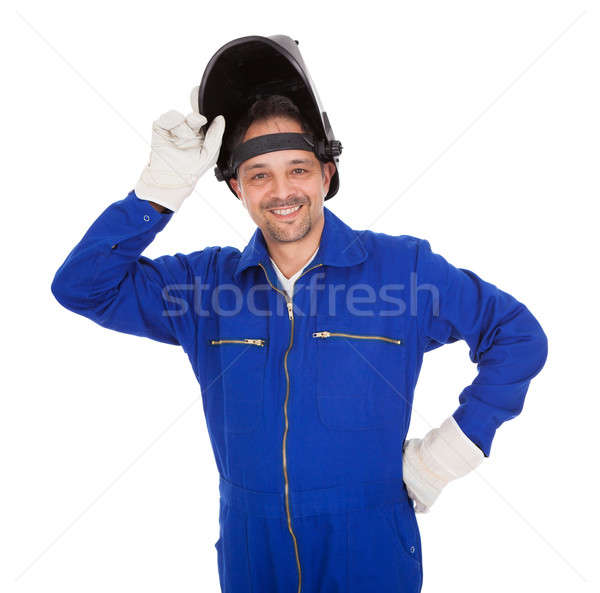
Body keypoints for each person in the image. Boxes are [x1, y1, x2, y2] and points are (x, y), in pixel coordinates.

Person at [51, 88, 548, 592]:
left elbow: (518, 335)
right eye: (259, 175)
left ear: (326, 175)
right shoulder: (204, 288)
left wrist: (449, 454)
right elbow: (82, 287)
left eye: (298, 169)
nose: (281, 191)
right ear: (236, 189)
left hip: (371, 551)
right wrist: (159, 191)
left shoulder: (403, 273)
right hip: (252, 556)